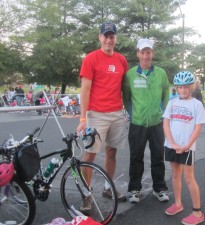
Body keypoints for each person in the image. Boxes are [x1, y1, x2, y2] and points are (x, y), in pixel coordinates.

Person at [76, 22, 128, 214]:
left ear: (115, 38)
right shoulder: (91, 59)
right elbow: (85, 89)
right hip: (96, 115)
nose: (109, 40)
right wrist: (83, 119)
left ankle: (108, 188)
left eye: (112, 36)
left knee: (112, 152)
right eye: (105, 36)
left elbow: (124, 88)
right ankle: (86, 194)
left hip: (116, 113)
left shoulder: (121, 60)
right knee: (90, 155)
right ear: (100, 37)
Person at [122, 38, 170, 203]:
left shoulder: (161, 73)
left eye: (148, 52)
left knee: (158, 157)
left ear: (152, 54)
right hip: (137, 123)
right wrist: (133, 113)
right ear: (138, 54)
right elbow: (126, 98)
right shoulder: (130, 74)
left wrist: (162, 113)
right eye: (142, 52)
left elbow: (166, 94)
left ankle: (160, 188)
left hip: (156, 123)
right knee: (136, 157)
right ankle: (134, 189)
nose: (145, 55)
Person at [163, 71, 205, 225]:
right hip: (171, 145)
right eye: (180, 88)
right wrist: (172, 143)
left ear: (191, 87)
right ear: (177, 88)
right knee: (175, 174)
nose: (183, 90)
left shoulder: (197, 104)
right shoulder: (172, 102)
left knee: (189, 178)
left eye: (186, 87)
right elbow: (166, 124)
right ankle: (178, 204)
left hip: (187, 147)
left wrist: (186, 146)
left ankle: (197, 212)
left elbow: (197, 128)